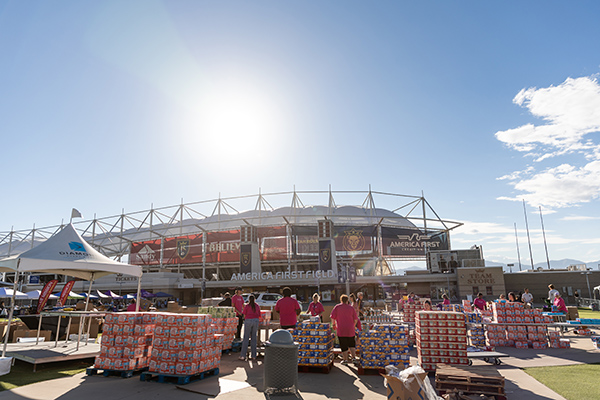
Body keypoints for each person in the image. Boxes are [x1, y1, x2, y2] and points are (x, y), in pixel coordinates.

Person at [330, 294, 358, 365]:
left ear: (341, 300)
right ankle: (353, 358)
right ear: (347, 300)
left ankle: (345, 360)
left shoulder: (337, 307)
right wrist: (353, 325)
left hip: (341, 329)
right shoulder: (351, 308)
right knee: (352, 344)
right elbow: (355, 319)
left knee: (343, 345)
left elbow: (332, 317)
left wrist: (333, 324)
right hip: (350, 329)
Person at [239, 295, 260, 361]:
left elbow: (244, 314)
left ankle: (243, 355)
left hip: (248, 320)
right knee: (254, 338)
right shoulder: (257, 306)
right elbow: (259, 315)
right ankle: (254, 355)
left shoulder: (247, 306)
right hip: (255, 321)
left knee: (246, 338)